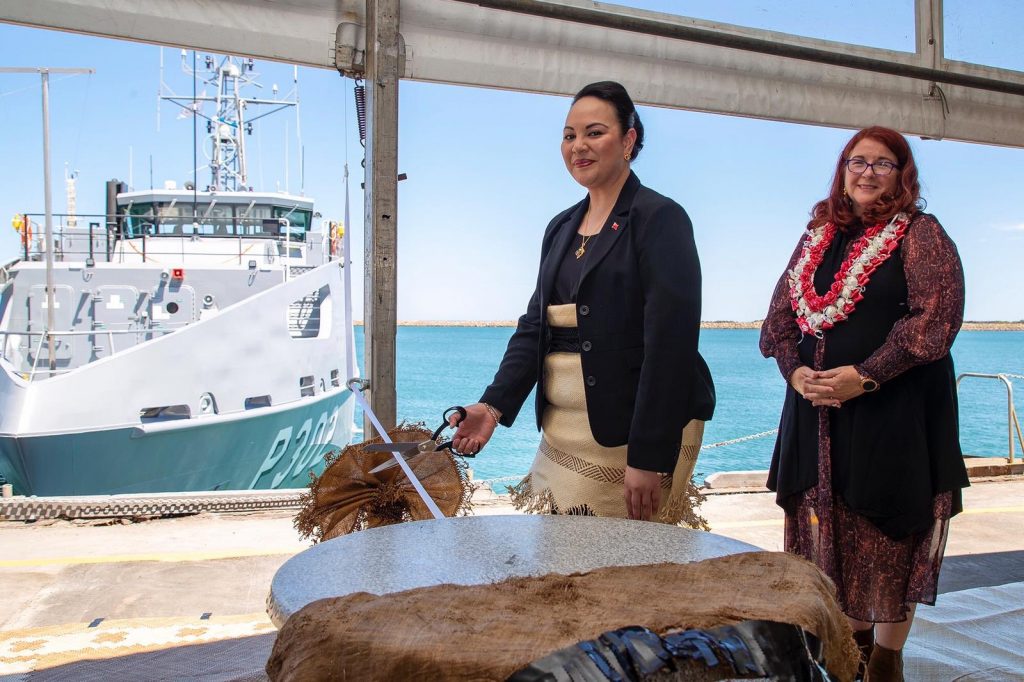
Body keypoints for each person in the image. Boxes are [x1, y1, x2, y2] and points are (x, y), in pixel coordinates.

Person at [451, 81, 715, 523]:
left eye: (594, 132)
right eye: (569, 135)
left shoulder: (660, 218)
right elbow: (537, 325)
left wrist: (647, 456)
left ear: (629, 140)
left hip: (634, 436)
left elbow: (671, 343)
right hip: (564, 431)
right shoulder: (561, 227)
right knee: (559, 560)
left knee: (627, 568)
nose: (578, 146)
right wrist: (492, 405)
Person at [760, 126, 969, 681]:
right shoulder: (816, 237)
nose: (868, 172)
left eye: (883, 163)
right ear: (842, 170)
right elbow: (780, 321)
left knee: (890, 537)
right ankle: (848, 650)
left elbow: (935, 322)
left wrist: (868, 376)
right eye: (858, 161)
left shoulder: (921, 234)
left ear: (903, 174)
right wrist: (796, 372)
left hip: (893, 414)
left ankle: (887, 657)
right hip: (817, 415)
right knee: (834, 533)